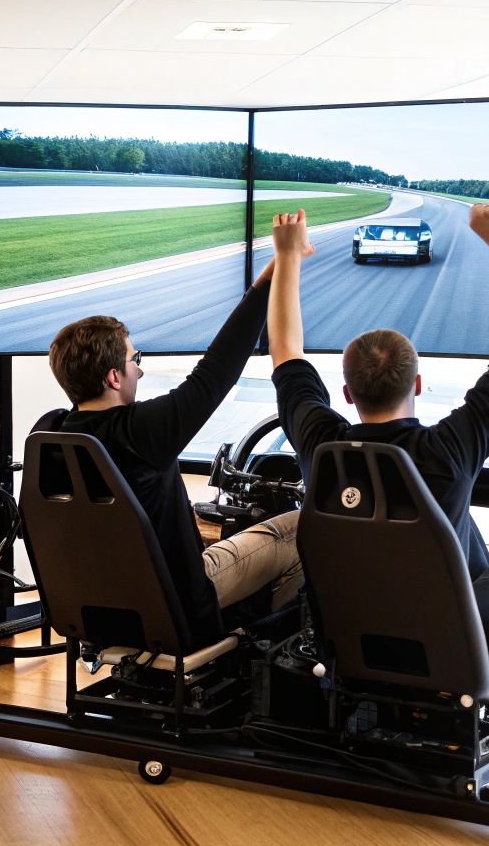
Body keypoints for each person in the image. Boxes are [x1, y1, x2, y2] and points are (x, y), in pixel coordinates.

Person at [265, 203, 489, 646]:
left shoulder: (320, 446)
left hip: (352, 641)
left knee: (464, 526)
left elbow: (285, 353)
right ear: (416, 385)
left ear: (347, 394)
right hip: (451, 648)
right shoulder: (448, 452)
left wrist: (287, 257)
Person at [44, 262, 302, 650]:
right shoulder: (140, 430)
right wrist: (266, 281)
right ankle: (252, 653)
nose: (139, 372)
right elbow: (216, 371)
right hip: (176, 604)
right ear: (114, 377)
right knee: (301, 527)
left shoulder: (51, 437)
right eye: (135, 361)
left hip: (96, 611)